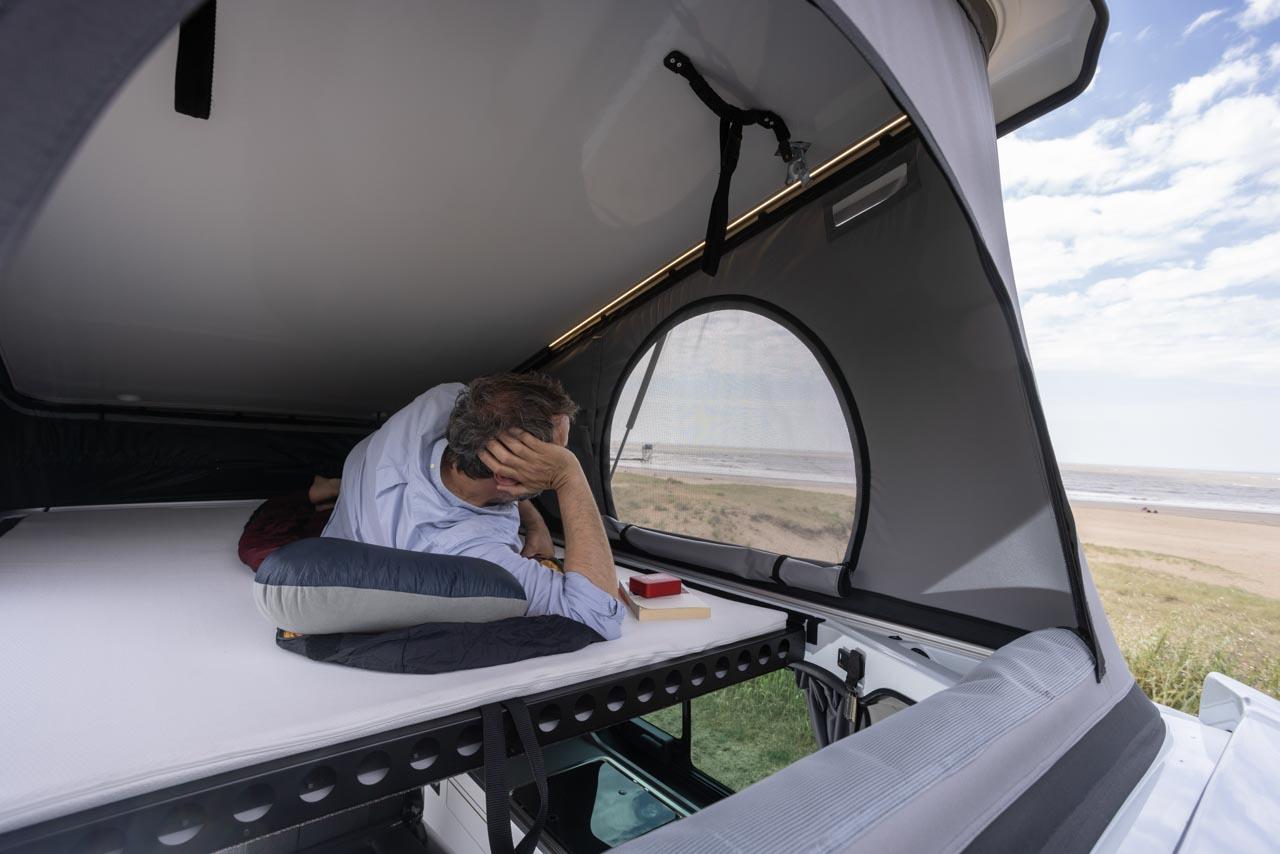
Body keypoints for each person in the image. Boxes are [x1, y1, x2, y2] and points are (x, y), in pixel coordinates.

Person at [309, 373, 623, 640]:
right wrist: (569, 476)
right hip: (358, 502)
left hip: (366, 459)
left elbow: (502, 477)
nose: (562, 459)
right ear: (507, 477)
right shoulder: (459, 550)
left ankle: (331, 487)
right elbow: (598, 614)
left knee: (360, 480)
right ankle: (333, 489)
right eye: (554, 458)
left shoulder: (445, 400)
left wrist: (536, 523)